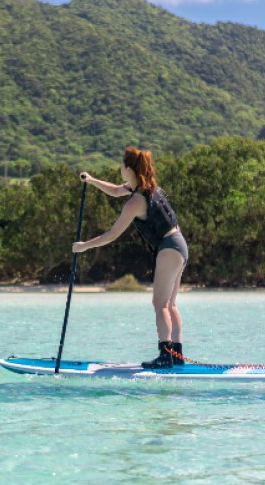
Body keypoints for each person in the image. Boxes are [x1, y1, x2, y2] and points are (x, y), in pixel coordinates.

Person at [72, 147, 189, 369]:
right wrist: (92, 180)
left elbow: (112, 234)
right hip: (179, 244)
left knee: (160, 304)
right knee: (170, 304)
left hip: (169, 247)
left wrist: (84, 246)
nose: (119, 168)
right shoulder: (147, 187)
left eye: (121, 165)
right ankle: (176, 354)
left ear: (128, 169)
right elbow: (116, 191)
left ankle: (166, 356)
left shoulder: (136, 201)